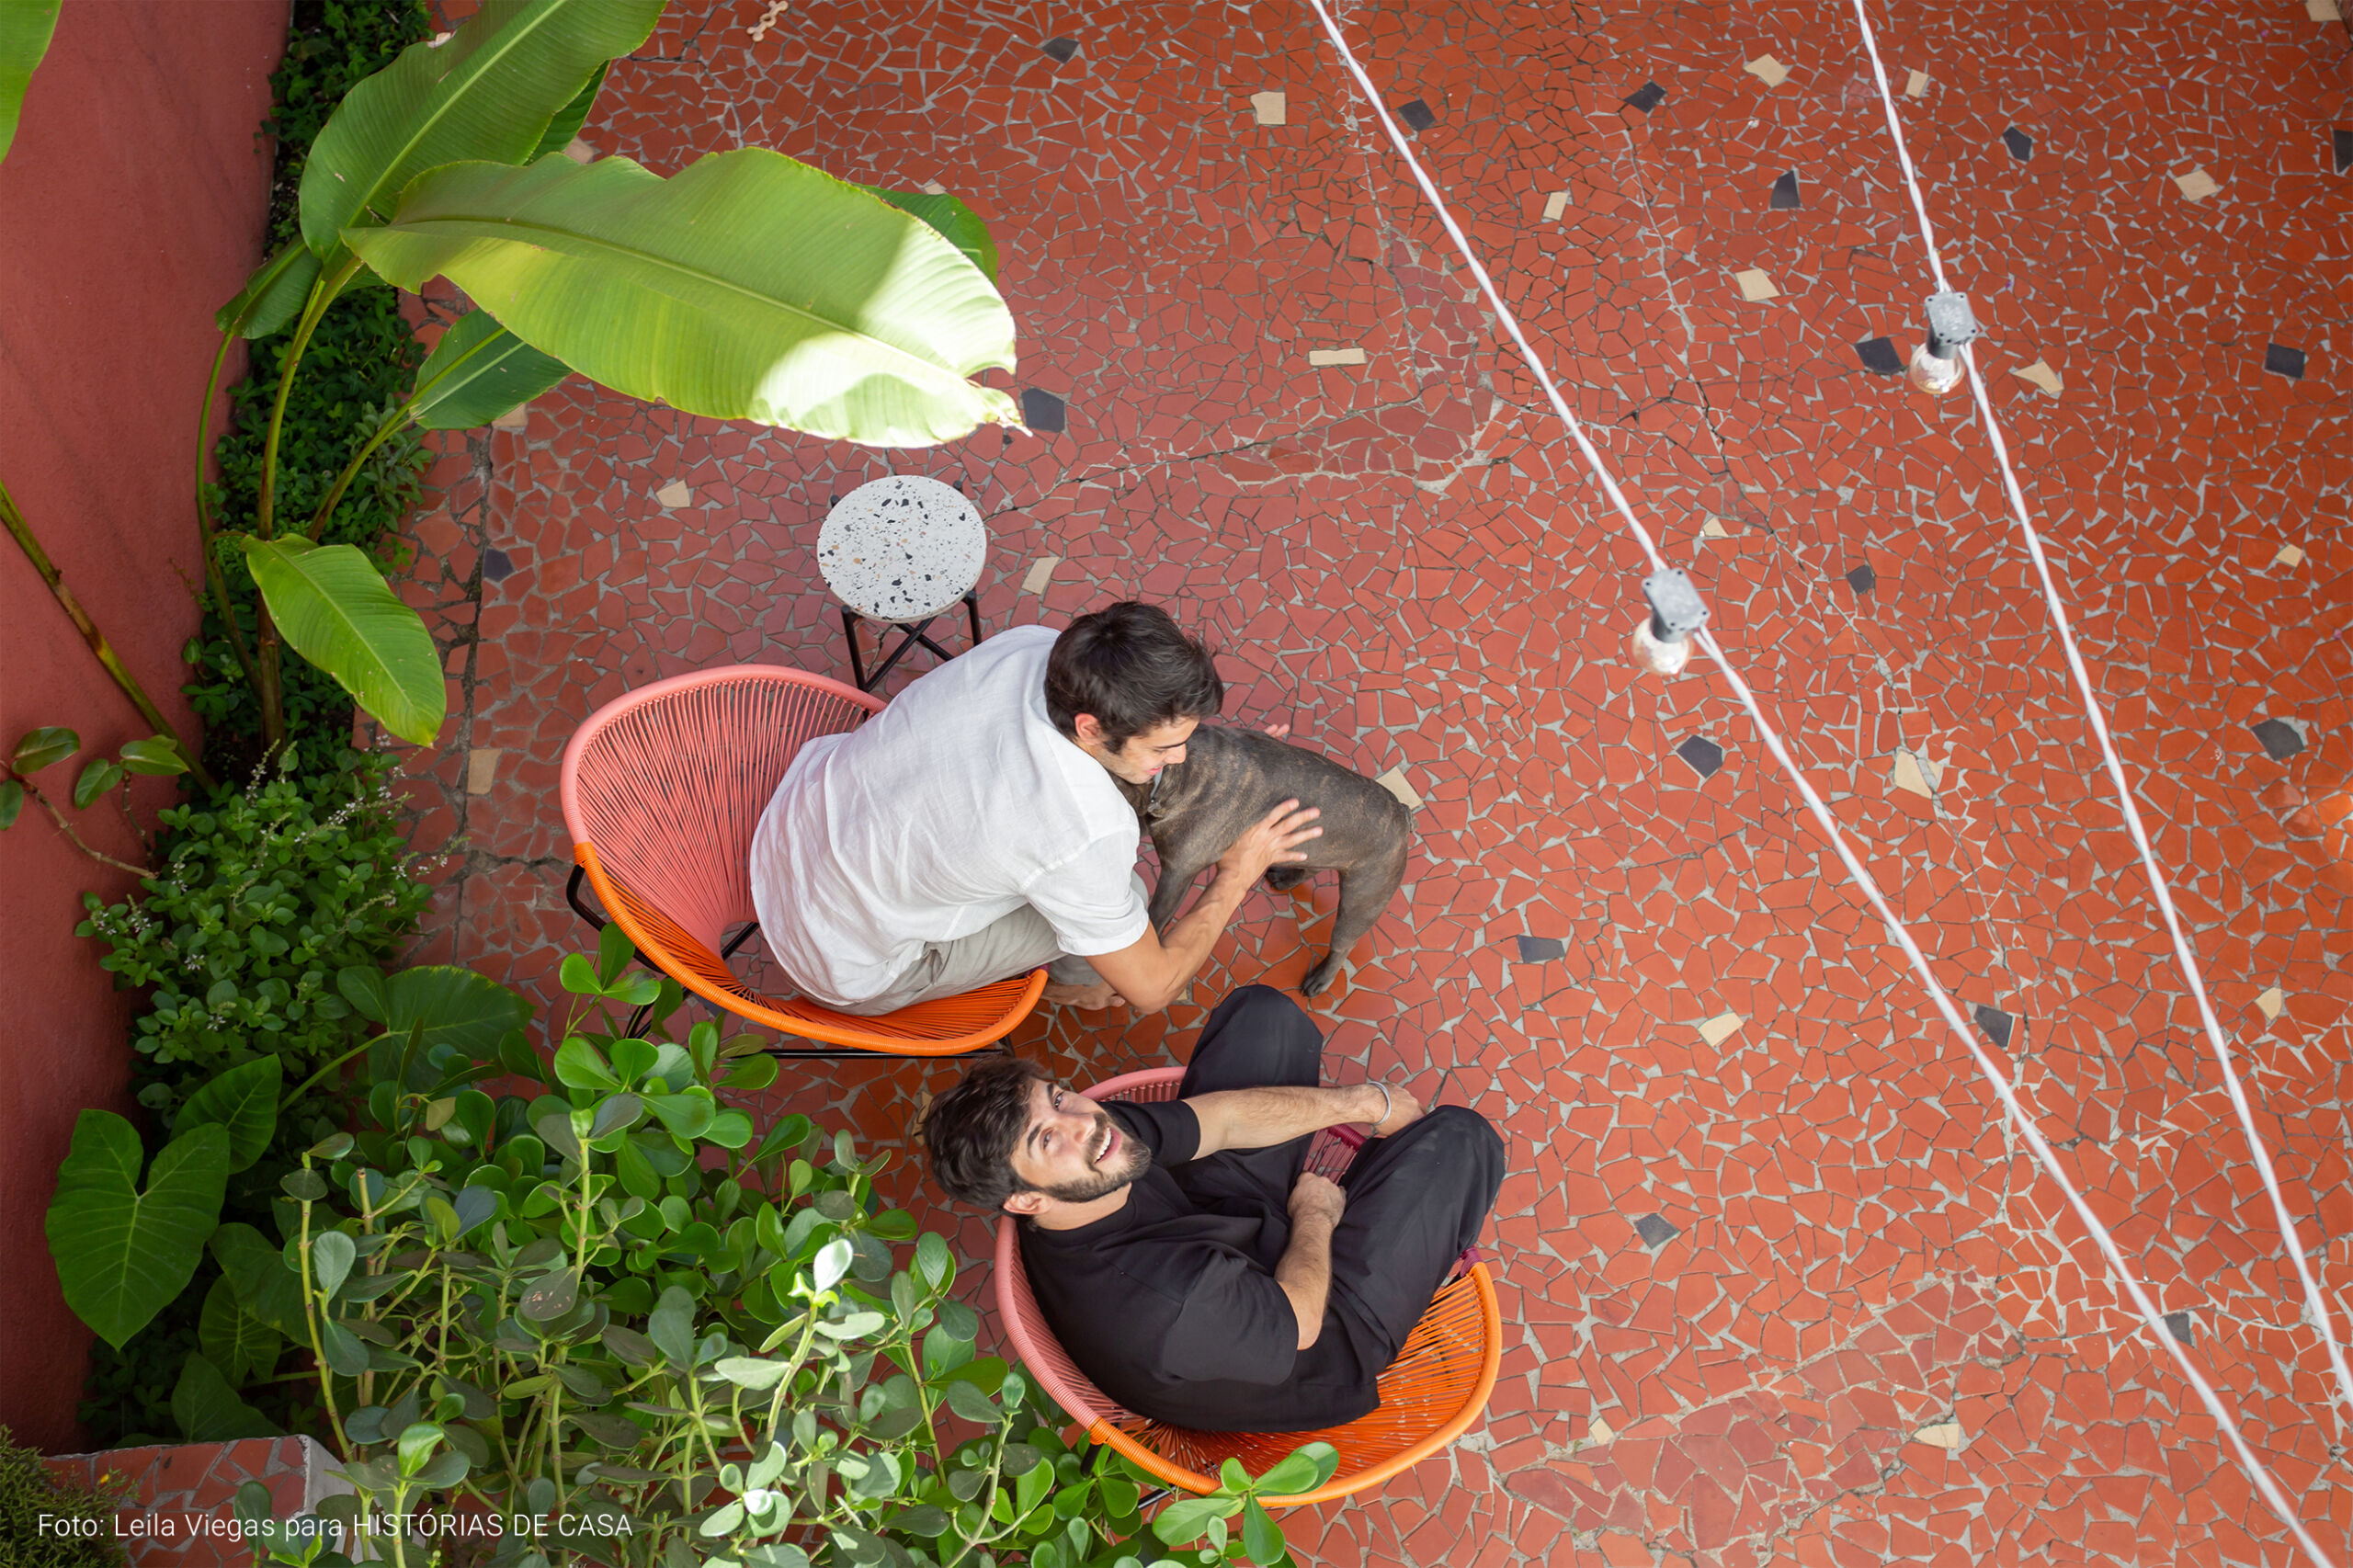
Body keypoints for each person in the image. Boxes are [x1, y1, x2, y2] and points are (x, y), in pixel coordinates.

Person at [921, 986, 1506, 1433]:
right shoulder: (1163, 1303)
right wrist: (1314, 1214)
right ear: (1024, 1199)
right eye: (1046, 1141)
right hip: (1318, 1330)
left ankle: (1369, 1190)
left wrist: (1361, 1102)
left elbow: (1220, 1120)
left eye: (1057, 1099)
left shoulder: (1099, 1148)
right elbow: (1298, 1322)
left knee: (1264, 1015)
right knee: (1460, 1140)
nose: (1083, 1124)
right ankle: (1375, 1208)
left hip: (1216, 1221)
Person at [750, 601, 1322, 1016]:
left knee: (1077, 888)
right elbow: (1153, 990)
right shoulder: (1082, 833)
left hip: (785, 825)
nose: (1178, 758)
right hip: (844, 963)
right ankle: (1085, 985)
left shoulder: (1034, 645)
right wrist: (1238, 872)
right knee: (1130, 901)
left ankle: (1092, 961)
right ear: (1090, 727)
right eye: (1162, 746)